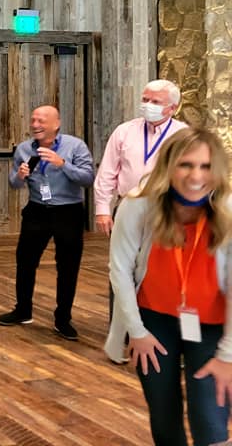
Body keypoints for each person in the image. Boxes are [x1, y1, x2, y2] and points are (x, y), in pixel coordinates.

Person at [107, 128, 232, 446]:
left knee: (210, 419)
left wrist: (228, 355)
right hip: (154, 323)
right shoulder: (138, 205)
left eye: (205, 167)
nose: (195, 176)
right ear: (169, 166)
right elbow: (120, 270)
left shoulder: (228, 210)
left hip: (211, 326)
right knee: (164, 416)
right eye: (186, 164)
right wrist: (136, 331)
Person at [95, 79, 187, 362]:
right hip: (128, 206)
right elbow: (108, 170)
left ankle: (159, 328)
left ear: (171, 108)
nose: (147, 105)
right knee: (121, 269)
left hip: (166, 209)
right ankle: (122, 333)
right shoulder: (125, 131)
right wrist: (102, 208)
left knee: (162, 269)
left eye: (156, 102)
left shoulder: (183, 135)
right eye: (145, 99)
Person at [0, 105, 95, 340]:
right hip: (37, 210)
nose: (35, 125)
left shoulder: (75, 146)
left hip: (68, 212)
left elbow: (88, 178)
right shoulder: (23, 149)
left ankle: (63, 319)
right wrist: (19, 176)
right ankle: (23, 310)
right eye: (33, 120)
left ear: (55, 124)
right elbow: (14, 185)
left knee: (67, 266)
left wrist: (63, 164)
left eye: (41, 120)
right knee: (25, 261)